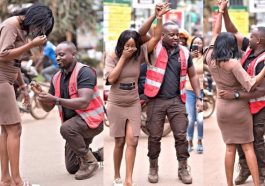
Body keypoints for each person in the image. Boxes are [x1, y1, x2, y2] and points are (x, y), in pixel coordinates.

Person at [104, 3, 169, 186]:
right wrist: (123, 58)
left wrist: (158, 16)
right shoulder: (113, 56)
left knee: (132, 141)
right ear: (121, 45)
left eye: (133, 46)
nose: (131, 49)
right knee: (119, 142)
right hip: (116, 102)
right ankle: (117, 174)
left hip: (133, 101)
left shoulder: (140, 53)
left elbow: (154, 36)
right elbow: (110, 79)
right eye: (127, 46)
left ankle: (128, 179)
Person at [204, 1, 265, 185]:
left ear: (259, 41)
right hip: (240, 108)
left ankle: (240, 180)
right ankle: (255, 181)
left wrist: (220, 12)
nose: (245, 38)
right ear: (231, 46)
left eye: (251, 36)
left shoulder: (210, 57)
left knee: (232, 147)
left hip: (228, 108)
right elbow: (251, 84)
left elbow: (216, 33)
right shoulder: (236, 62)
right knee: (248, 147)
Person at [143, 20, 202, 185]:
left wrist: (199, 97)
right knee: (154, 137)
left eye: (177, 34)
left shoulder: (184, 52)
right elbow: (142, 34)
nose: (176, 37)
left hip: (177, 100)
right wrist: (157, 17)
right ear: (162, 35)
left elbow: (193, 76)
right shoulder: (154, 48)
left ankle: (183, 168)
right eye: (172, 34)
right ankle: (153, 167)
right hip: (156, 100)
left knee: (181, 136)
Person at [0, 4, 54, 186]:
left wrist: (23, 88)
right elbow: (3, 55)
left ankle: (6, 179)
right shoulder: (10, 25)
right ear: (35, 18)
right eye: (41, 26)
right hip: (1, 80)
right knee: (14, 128)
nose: (40, 31)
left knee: (7, 130)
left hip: (8, 80)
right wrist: (31, 45)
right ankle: (17, 181)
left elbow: (14, 64)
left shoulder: (20, 29)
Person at [36, 41, 104, 180]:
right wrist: (41, 97)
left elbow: (84, 103)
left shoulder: (85, 72)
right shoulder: (56, 77)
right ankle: (98, 155)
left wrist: (55, 100)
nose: (58, 58)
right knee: (72, 167)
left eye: (61, 54)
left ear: (73, 54)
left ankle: (90, 163)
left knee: (66, 128)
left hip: (92, 122)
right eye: (56, 56)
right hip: (75, 126)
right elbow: (48, 107)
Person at [186, 36, 204, 154]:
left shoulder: (205, 58)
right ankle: (189, 141)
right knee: (191, 119)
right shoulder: (187, 56)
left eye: (200, 43)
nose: (197, 45)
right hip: (188, 90)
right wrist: (189, 58)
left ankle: (200, 141)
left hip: (201, 91)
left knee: (200, 119)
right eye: (195, 43)